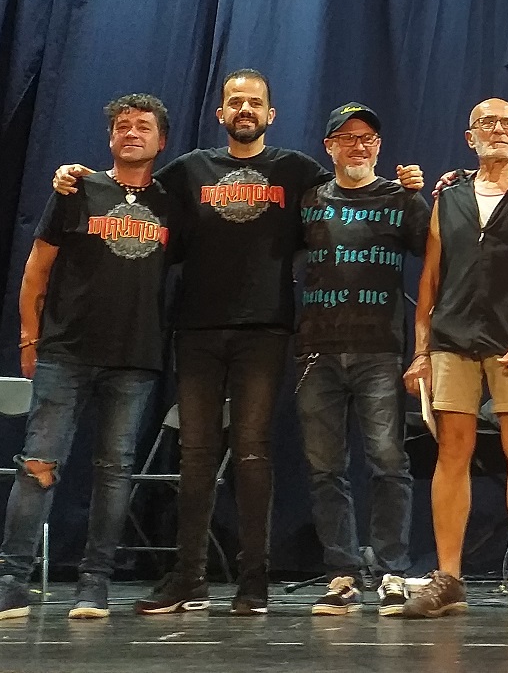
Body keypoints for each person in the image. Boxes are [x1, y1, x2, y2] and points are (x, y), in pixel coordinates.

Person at [52, 70, 424, 615]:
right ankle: (189, 579)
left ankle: (255, 583)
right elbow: (130, 190)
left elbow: (357, 187)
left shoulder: (297, 171)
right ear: (221, 113)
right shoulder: (188, 170)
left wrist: (413, 184)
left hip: (267, 331)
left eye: (254, 102)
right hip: (196, 328)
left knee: (253, 454)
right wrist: (76, 177)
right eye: (235, 101)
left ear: (270, 115)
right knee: (197, 457)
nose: (244, 109)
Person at [0, 95, 173, 622]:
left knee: (115, 472)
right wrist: (28, 339)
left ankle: (95, 584)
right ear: (110, 137)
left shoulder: (175, 202)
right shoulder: (77, 189)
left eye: (143, 126)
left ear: (162, 141)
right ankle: (11, 583)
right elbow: (37, 269)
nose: (131, 132)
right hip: (65, 352)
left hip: (134, 356)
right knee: (37, 465)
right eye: (122, 125)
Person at [402, 99, 508, 620]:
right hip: (452, 339)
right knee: (452, 451)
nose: (497, 130)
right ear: (469, 137)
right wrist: (421, 352)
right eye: (486, 123)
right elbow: (430, 280)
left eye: (506, 124)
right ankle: (448, 578)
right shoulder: (448, 196)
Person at [296, 103, 430, 617]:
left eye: (368, 138)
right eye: (347, 137)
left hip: (379, 350)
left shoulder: (401, 198)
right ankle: (342, 573)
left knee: (389, 462)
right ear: (329, 147)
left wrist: (419, 193)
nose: (358, 145)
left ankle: (393, 571)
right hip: (317, 351)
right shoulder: (309, 200)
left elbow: (436, 258)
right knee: (325, 467)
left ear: (378, 146)